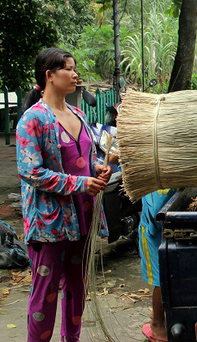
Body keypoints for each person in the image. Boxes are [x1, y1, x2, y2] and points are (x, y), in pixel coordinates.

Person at [16, 48, 111, 342]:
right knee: (45, 294)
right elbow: (30, 172)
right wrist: (79, 183)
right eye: (68, 69)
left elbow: (86, 157)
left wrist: (99, 170)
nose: (75, 74)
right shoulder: (32, 120)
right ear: (49, 76)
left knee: (77, 287)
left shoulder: (79, 114)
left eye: (75, 68)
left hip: (83, 215)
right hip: (49, 223)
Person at [139, 189, 177, 342]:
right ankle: (158, 316)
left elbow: (155, 211)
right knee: (164, 277)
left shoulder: (157, 185)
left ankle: (157, 325)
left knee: (159, 280)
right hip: (165, 227)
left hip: (154, 230)